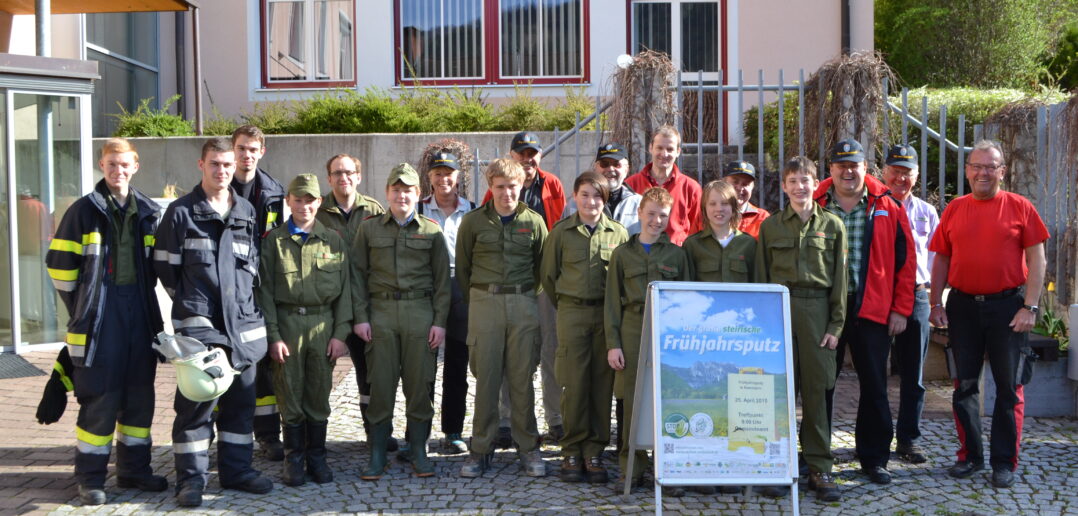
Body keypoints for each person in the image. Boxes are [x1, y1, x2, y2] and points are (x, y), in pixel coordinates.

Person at [45, 138, 167, 505]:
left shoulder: (148, 210)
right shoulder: (83, 211)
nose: (118, 171)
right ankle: (90, 477)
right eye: (111, 164)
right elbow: (59, 268)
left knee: (139, 397)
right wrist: (83, 306)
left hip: (141, 313)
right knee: (100, 397)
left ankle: (134, 470)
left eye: (124, 164)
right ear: (102, 166)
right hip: (100, 315)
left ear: (135, 166)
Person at [154, 137, 274, 507]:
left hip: (244, 328)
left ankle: (237, 471)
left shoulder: (246, 212)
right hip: (200, 327)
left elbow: (251, 269)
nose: (222, 171)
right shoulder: (180, 213)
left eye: (227, 165)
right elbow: (166, 271)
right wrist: (194, 306)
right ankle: (191, 481)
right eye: (215, 164)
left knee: (241, 403)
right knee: (197, 404)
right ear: (201, 165)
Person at [929, 140, 1048, 489]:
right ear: (967, 171)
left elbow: (1038, 259)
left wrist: (1030, 306)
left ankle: (1003, 462)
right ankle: (970, 457)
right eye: (976, 166)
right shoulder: (955, 208)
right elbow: (942, 258)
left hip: (1009, 308)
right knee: (964, 385)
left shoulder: (1020, 207)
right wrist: (936, 302)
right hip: (963, 307)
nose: (983, 172)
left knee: (1009, 388)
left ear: (1002, 171)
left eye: (990, 166)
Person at [815, 138, 916, 485]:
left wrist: (901, 309)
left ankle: (874, 458)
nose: (847, 171)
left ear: (865, 168)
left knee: (874, 385)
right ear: (831, 170)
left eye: (853, 165)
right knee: (821, 386)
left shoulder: (886, 204)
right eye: (841, 165)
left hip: (871, 308)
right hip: (824, 311)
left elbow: (906, 262)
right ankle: (816, 457)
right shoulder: (814, 202)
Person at [351, 163, 452, 480]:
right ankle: (378, 453)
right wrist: (360, 318)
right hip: (380, 314)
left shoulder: (432, 231)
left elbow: (442, 282)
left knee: (420, 385)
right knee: (380, 385)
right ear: (387, 194)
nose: (401, 195)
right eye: (396, 190)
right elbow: (356, 276)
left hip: (420, 314)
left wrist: (439, 322)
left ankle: (418, 450)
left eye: (407, 190)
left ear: (418, 194)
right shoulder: (369, 229)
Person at [755, 156, 847, 501]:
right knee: (778, 394)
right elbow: (761, 277)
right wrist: (763, 326)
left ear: (816, 183)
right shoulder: (772, 227)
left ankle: (819, 467)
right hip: (778, 310)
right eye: (792, 181)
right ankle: (777, 465)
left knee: (816, 393)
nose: (799, 187)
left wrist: (836, 325)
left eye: (805, 180)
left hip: (817, 311)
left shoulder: (833, 225)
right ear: (784, 186)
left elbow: (840, 280)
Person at [255, 174, 351, 487]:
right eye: (298, 199)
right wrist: (274, 336)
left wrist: (340, 334)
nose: (304, 205)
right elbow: (265, 293)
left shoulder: (333, 240)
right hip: (288, 325)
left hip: (322, 325)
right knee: (289, 393)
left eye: (310, 199)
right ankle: (293, 458)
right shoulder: (274, 241)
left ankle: (317, 456)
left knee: (318, 393)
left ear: (319, 202)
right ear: (289, 202)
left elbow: (345, 291)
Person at [457, 158, 548, 478]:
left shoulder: (534, 221)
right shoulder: (473, 222)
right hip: (485, 302)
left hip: (523, 302)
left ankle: (528, 448)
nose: (507, 192)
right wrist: (484, 298)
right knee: (487, 380)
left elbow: (543, 268)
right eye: (500, 186)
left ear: (521, 185)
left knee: (522, 380)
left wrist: (521, 295)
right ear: (490, 187)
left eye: (512, 186)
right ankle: (480, 449)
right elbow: (464, 267)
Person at [541, 171, 629, 484]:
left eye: (597, 196)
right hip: (572, 314)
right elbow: (549, 278)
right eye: (585, 194)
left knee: (601, 386)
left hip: (605, 318)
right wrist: (568, 305)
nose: (591, 202)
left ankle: (594, 450)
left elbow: (621, 282)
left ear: (605, 200)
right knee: (573, 384)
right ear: (574, 196)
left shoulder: (618, 234)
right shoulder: (561, 233)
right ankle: (572, 450)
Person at [482, 131, 566, 447]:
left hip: (545, 280)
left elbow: (557, 228)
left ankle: (555, 420)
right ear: (512, 155)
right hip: (512, 282)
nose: (527, 159)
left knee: (550, 351)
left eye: (533, 153)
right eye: (522, 153)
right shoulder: (500, 188)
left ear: (540, 156)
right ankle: (505, 421)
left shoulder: (553, 185)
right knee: (510, 353)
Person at [605, 187, 691, 493]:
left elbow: (688, 302)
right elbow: (612, 302)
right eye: (651, 213)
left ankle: (668, 467)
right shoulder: (622, 254)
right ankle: (631, 466)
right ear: (640, 213)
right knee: (632, 400)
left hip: (667, 331)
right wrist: (613, 343)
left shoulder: (678, 255)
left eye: (663, 215)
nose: (656, 221)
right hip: (631, 326)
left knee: (669, 397)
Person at [313, 153, 398, 454]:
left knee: (371, 373)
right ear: (329, 178)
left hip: (366, 306)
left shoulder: (374, 210)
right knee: (320, 373)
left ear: (358, 177)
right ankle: (315, 438)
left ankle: (375, 432)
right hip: (328, 307)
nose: (343, 178)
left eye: (349, 172)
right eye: (337, 173)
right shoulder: (316, 211)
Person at [230, 125, 288, 461]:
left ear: (261, 152)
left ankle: (267, 435)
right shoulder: (221, 186)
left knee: (264, 365)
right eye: (241, 148)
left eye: (253, 149)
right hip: (228, 289)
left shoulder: (275, 193)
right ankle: (228, 435)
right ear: (233, 150)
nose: (246, 155)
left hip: (261, 289)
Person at [881, 144, 939, 464]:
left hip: (917, 295)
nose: (900, 177)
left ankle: (908, 440)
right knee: (875, 373)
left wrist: (935, 298)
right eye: (895, 170)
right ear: (884, 172)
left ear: (916, 176)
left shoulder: (927, 213)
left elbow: (935, 259)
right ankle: (875, 439)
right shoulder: (873, 207)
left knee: (913, 375)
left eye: (907, 172)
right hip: (880, 294)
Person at [417, 151, 477, 455]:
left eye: (448, 173)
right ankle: (420, 433)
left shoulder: (473, 210)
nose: (443, 179)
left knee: (456, 365)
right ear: (429, 177)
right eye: (438, 173)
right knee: (423, 366)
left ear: (458, 176)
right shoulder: (417, 209)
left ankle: (453, 430)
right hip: (425, 288)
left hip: (460, 288)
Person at [623, 125, 702, 245]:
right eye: (659, 148)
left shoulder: (691, 188)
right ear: (650, 148)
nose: (664, 154)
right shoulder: (630, 185)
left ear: (678, 152)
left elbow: (698, 230)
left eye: (670, 149)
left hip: (676, 258)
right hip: (638, 256)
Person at [684, 180, 757, 283]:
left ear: (733, 208)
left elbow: (757, 286)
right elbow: (685, 288)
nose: (719, 209)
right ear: (704, 208)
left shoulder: (749, 244)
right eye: (712, 204)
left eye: (725, 203)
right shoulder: (692, 245)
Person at [593, 142, 641, 234]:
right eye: (604, 164)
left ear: (626, 169)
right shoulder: (578, 203)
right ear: (596, 168)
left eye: (616, 164)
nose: (610, 168)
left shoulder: (640, 204)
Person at [721, 161, 770, 238]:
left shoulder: (762, 218)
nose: (740, 188)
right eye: (735, 182)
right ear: (724, 183)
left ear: (752, 187)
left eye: (746, 184)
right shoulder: (711, 214)